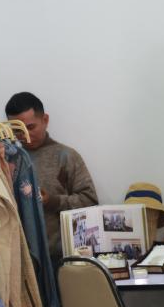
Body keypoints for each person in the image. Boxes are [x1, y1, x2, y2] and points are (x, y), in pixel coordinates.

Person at [5, 92, 98, 262]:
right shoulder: (6, 159)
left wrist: (52, 201)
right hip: (20, 258)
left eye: (30, 127)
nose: (25, 135)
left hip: (61, 258)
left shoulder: (66, 156)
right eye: (17, 130)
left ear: (45, 120)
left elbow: (90, 202)